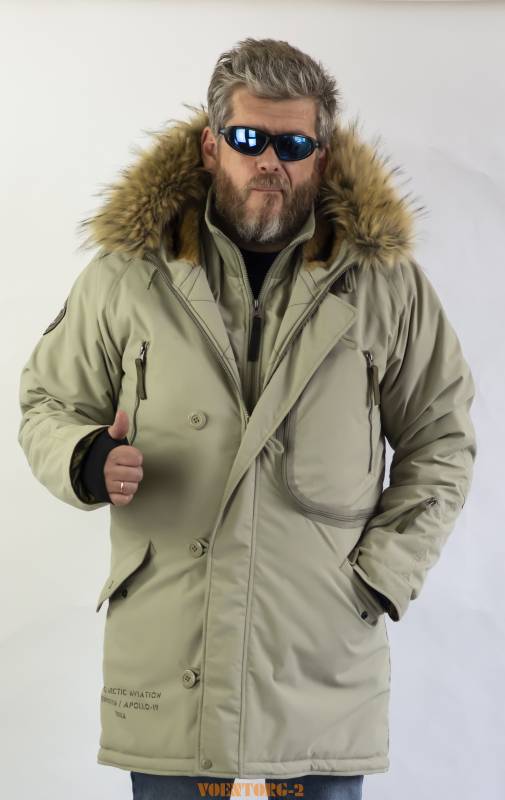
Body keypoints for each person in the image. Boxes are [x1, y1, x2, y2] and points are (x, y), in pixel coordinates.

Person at [17, 37, 477, 800]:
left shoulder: (385, 285)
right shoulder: (128, 273)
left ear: (320, 156)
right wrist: (84, 457)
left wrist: (382, 577)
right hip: (171, 646)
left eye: (292, 145)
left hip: (320, 648)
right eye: (247, 139)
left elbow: (441, 438)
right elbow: (48, 401)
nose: (269, 161)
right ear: (211, 146)